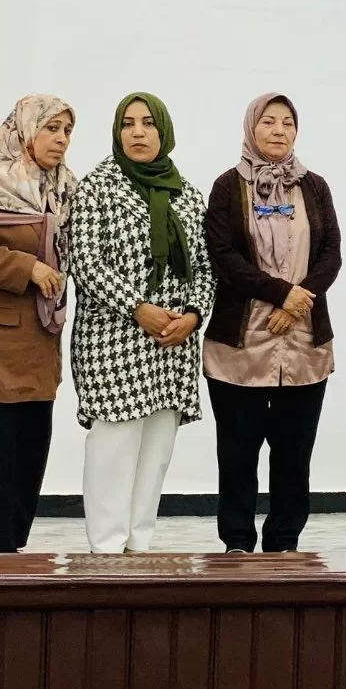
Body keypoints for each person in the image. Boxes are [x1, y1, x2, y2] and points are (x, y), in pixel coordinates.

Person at [69, 93, 215, 554]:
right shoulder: (97, 188)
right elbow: (86, 262)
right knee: (113, 446)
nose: (137, 132)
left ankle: (139, 546)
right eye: (128, 124)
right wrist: (137, 307)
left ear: (163, 131)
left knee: (156, 452)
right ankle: (106, 548)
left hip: (172, 343)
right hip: (114, 338)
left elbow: (205, 267)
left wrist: (193, 315)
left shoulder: (186, 193)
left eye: (148, 123)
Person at [202, 93, 342, 553]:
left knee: (294, 455)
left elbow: (331, 254)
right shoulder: (227, 186)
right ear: (251, 128)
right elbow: (224, 257)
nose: (279, 130)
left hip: (303, 343)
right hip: (239, 346)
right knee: (237, 454)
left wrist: (296, 305)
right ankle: (237, 541)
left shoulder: (315, 186)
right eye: (268, 121)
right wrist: (282, 294)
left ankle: (284, 541)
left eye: (287, 122)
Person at [0, 96, 77, 552]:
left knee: (28, 450)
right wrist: (25, 267)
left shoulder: (63, 187)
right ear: (25, 130)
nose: (61, 139)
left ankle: (11, 555)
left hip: (39, 338)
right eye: (51, 128)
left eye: (67, 130)